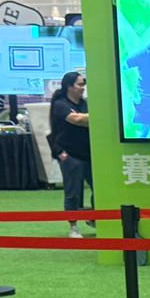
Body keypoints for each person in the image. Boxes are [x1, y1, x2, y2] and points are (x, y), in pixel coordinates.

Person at [50, 70, 92, 238]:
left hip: (89, 154)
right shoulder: (60, 104)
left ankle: (94, 217)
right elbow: (76, 120)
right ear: (69, 87)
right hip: (70, 155)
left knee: (99, 188)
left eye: (83, 84)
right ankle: (73, 226)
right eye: (80, 84)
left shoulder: (85, 104)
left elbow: (84, 119)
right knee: (73, 192)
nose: (83, 87)